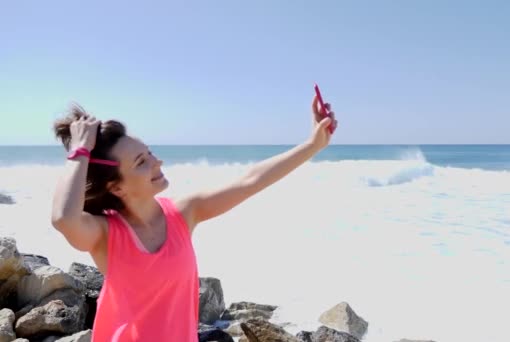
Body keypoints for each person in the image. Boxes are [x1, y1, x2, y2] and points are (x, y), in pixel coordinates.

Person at [51, 95, 337, 341]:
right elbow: (64, 218)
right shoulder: (106, 233)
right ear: (116, 187)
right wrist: (80, 152)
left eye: (149, 153)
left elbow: (250, 180)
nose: (157, 162)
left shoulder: (184, 212)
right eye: (141, 162)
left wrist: (314, 144)